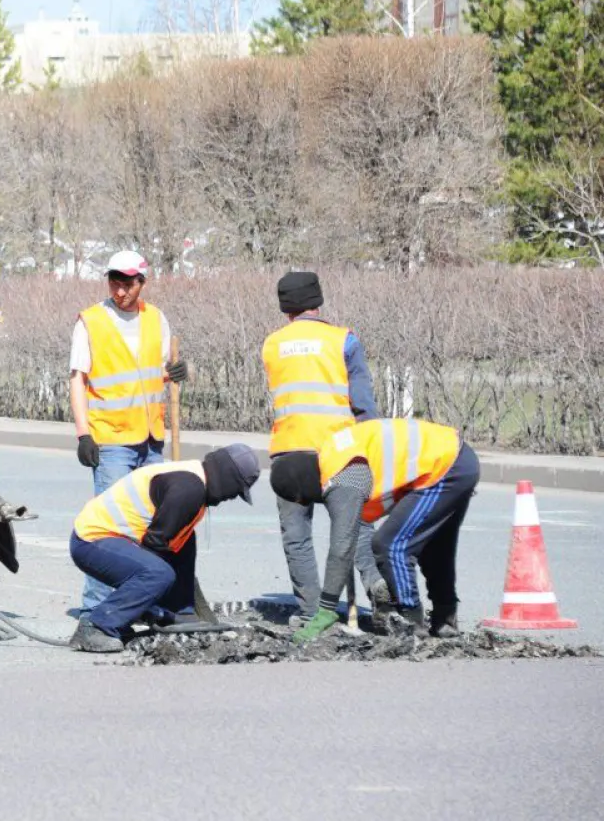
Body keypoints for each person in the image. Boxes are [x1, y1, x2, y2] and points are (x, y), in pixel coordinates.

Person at [269, 418, 480, 641]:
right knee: (435, 547)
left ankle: (412, 625)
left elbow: (342, 548)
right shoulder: (333, 454)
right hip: (455, 457)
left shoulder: (341, 477)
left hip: (445, 466)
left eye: (300, 500)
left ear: (300, 490)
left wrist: (326, 609)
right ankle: (445, 621)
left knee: (391, 546)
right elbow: (353, 531)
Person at [261, 270, 390, 624]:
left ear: (285, 307)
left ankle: (311, 613)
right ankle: (378, 588)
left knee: (297, 537)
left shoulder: (272, 345)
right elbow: (364, 406)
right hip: (340, 454)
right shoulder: (344, 340)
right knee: (357, 528)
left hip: (290, 454)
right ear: (318, 302)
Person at [69, 250, 188, 617]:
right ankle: (96, 609)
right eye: (114, 281)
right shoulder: (91, 321)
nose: (120, 290)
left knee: (148, 525)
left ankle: (138, 602)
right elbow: (78, 380)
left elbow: (154, 373)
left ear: (142, 283)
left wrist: (176, 373)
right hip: (111, 440)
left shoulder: (156, 319)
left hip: (151, 439)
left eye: (128, 283)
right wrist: (83, 434)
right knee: (108, 527)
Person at [69, 444, 259, 653]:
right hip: (91, 542)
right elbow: (154, 548)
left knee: (184, 539)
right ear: (227, 479)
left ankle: (180, 612)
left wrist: (181, 611)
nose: (230, 498)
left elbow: (172, 549)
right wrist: (149, 606)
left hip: (113, 540)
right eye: (235, 492)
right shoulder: (188, 490)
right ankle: (96, 625)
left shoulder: (195, 479)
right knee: (158, 573)